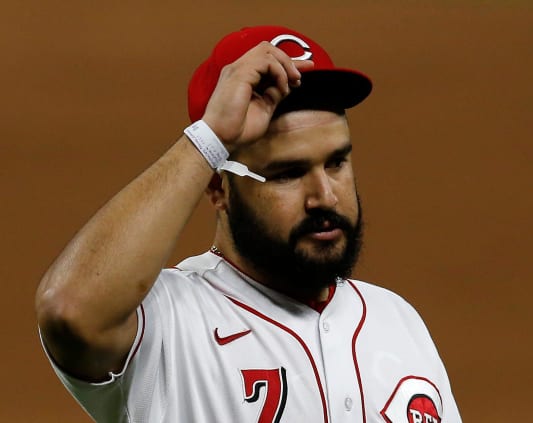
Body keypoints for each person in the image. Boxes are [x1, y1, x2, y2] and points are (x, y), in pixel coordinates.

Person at [36, 25, 461, 422]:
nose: (325, 197)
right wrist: (210, 139)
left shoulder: (397, 322)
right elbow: (69, 310)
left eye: (336, 163)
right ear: (219, 188)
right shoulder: (169, 325)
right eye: (288, 173)